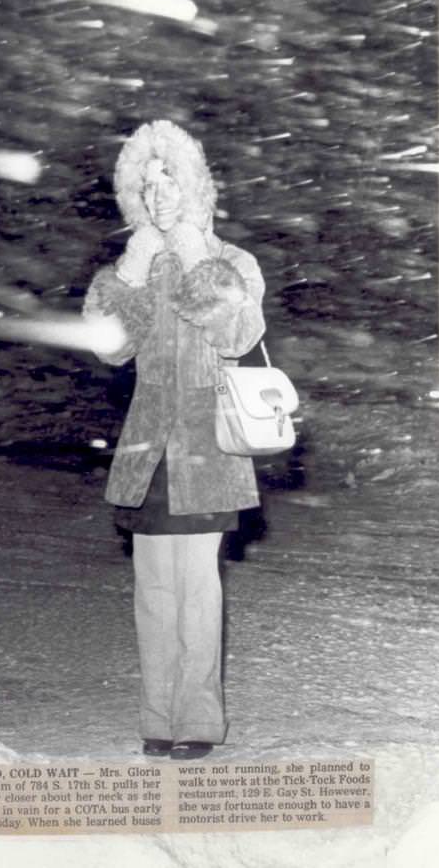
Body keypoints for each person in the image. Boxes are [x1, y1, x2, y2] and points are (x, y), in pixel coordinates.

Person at [83, 120, 265, 760]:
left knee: (196, 588)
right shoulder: (138, 268)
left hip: (208, 446)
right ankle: (157, 717)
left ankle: (199, 722)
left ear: (194, 188)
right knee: (153, 592)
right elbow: (108, 348)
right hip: (147, 447)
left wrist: (194, 257)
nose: (157, 194)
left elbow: (238, 335)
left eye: (169, 179)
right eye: (146, 182)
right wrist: (130, 270)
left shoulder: (231, 263)